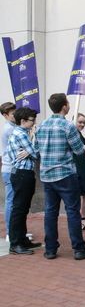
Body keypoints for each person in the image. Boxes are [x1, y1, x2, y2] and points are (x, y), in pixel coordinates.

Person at [34, 93, 85, 260]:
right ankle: (79, 248)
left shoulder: (42, 125)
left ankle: (50, 248)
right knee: (72, 211)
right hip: (65, 173)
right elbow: (79, 150)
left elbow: (36, 150)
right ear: (64, 106)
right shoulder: (67, 126)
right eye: (67, 103)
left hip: (47, 174)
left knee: (50, 212)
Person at [6, 107, 41, 254]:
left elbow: (31, 152)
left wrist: (30, 150)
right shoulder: (22, 134)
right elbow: (35, 153)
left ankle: (22, 239)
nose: (34, 123)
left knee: (23, 208)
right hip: (22, 173)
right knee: (19, 209)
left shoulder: (23, 133)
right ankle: (15, 244)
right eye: (32, 120)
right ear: (23, 121)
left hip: (22, 173)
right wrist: (32, 149)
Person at [1, 101, 17, 241]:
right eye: (13, 114)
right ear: (6, 115)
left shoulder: (12, 126)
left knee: (13, 200)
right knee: (11, 200)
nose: (15, 115)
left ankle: (13, 231)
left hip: (10, 168)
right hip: (10, 168)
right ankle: (10, 232)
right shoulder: (9, 129)